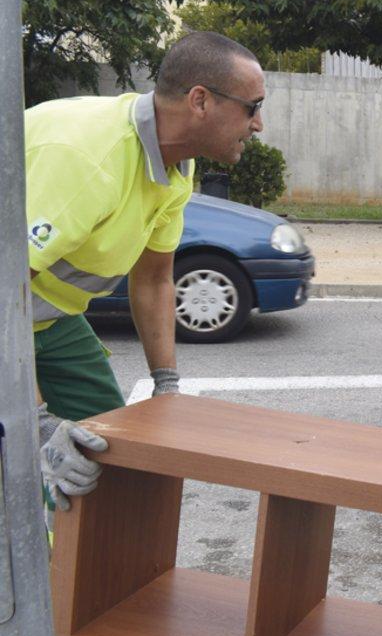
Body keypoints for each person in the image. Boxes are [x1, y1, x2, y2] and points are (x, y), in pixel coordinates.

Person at [27, 32, 264, 520]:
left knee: (112, 447)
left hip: (47, 317)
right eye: (252, 107)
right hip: (11, 309)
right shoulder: (88, 157)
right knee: (22, 451)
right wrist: (34, 422)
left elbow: (154, 279)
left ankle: (77, 561)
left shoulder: (174, 168)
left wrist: (166, 386)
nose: (258, 124)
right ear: (200, 100)